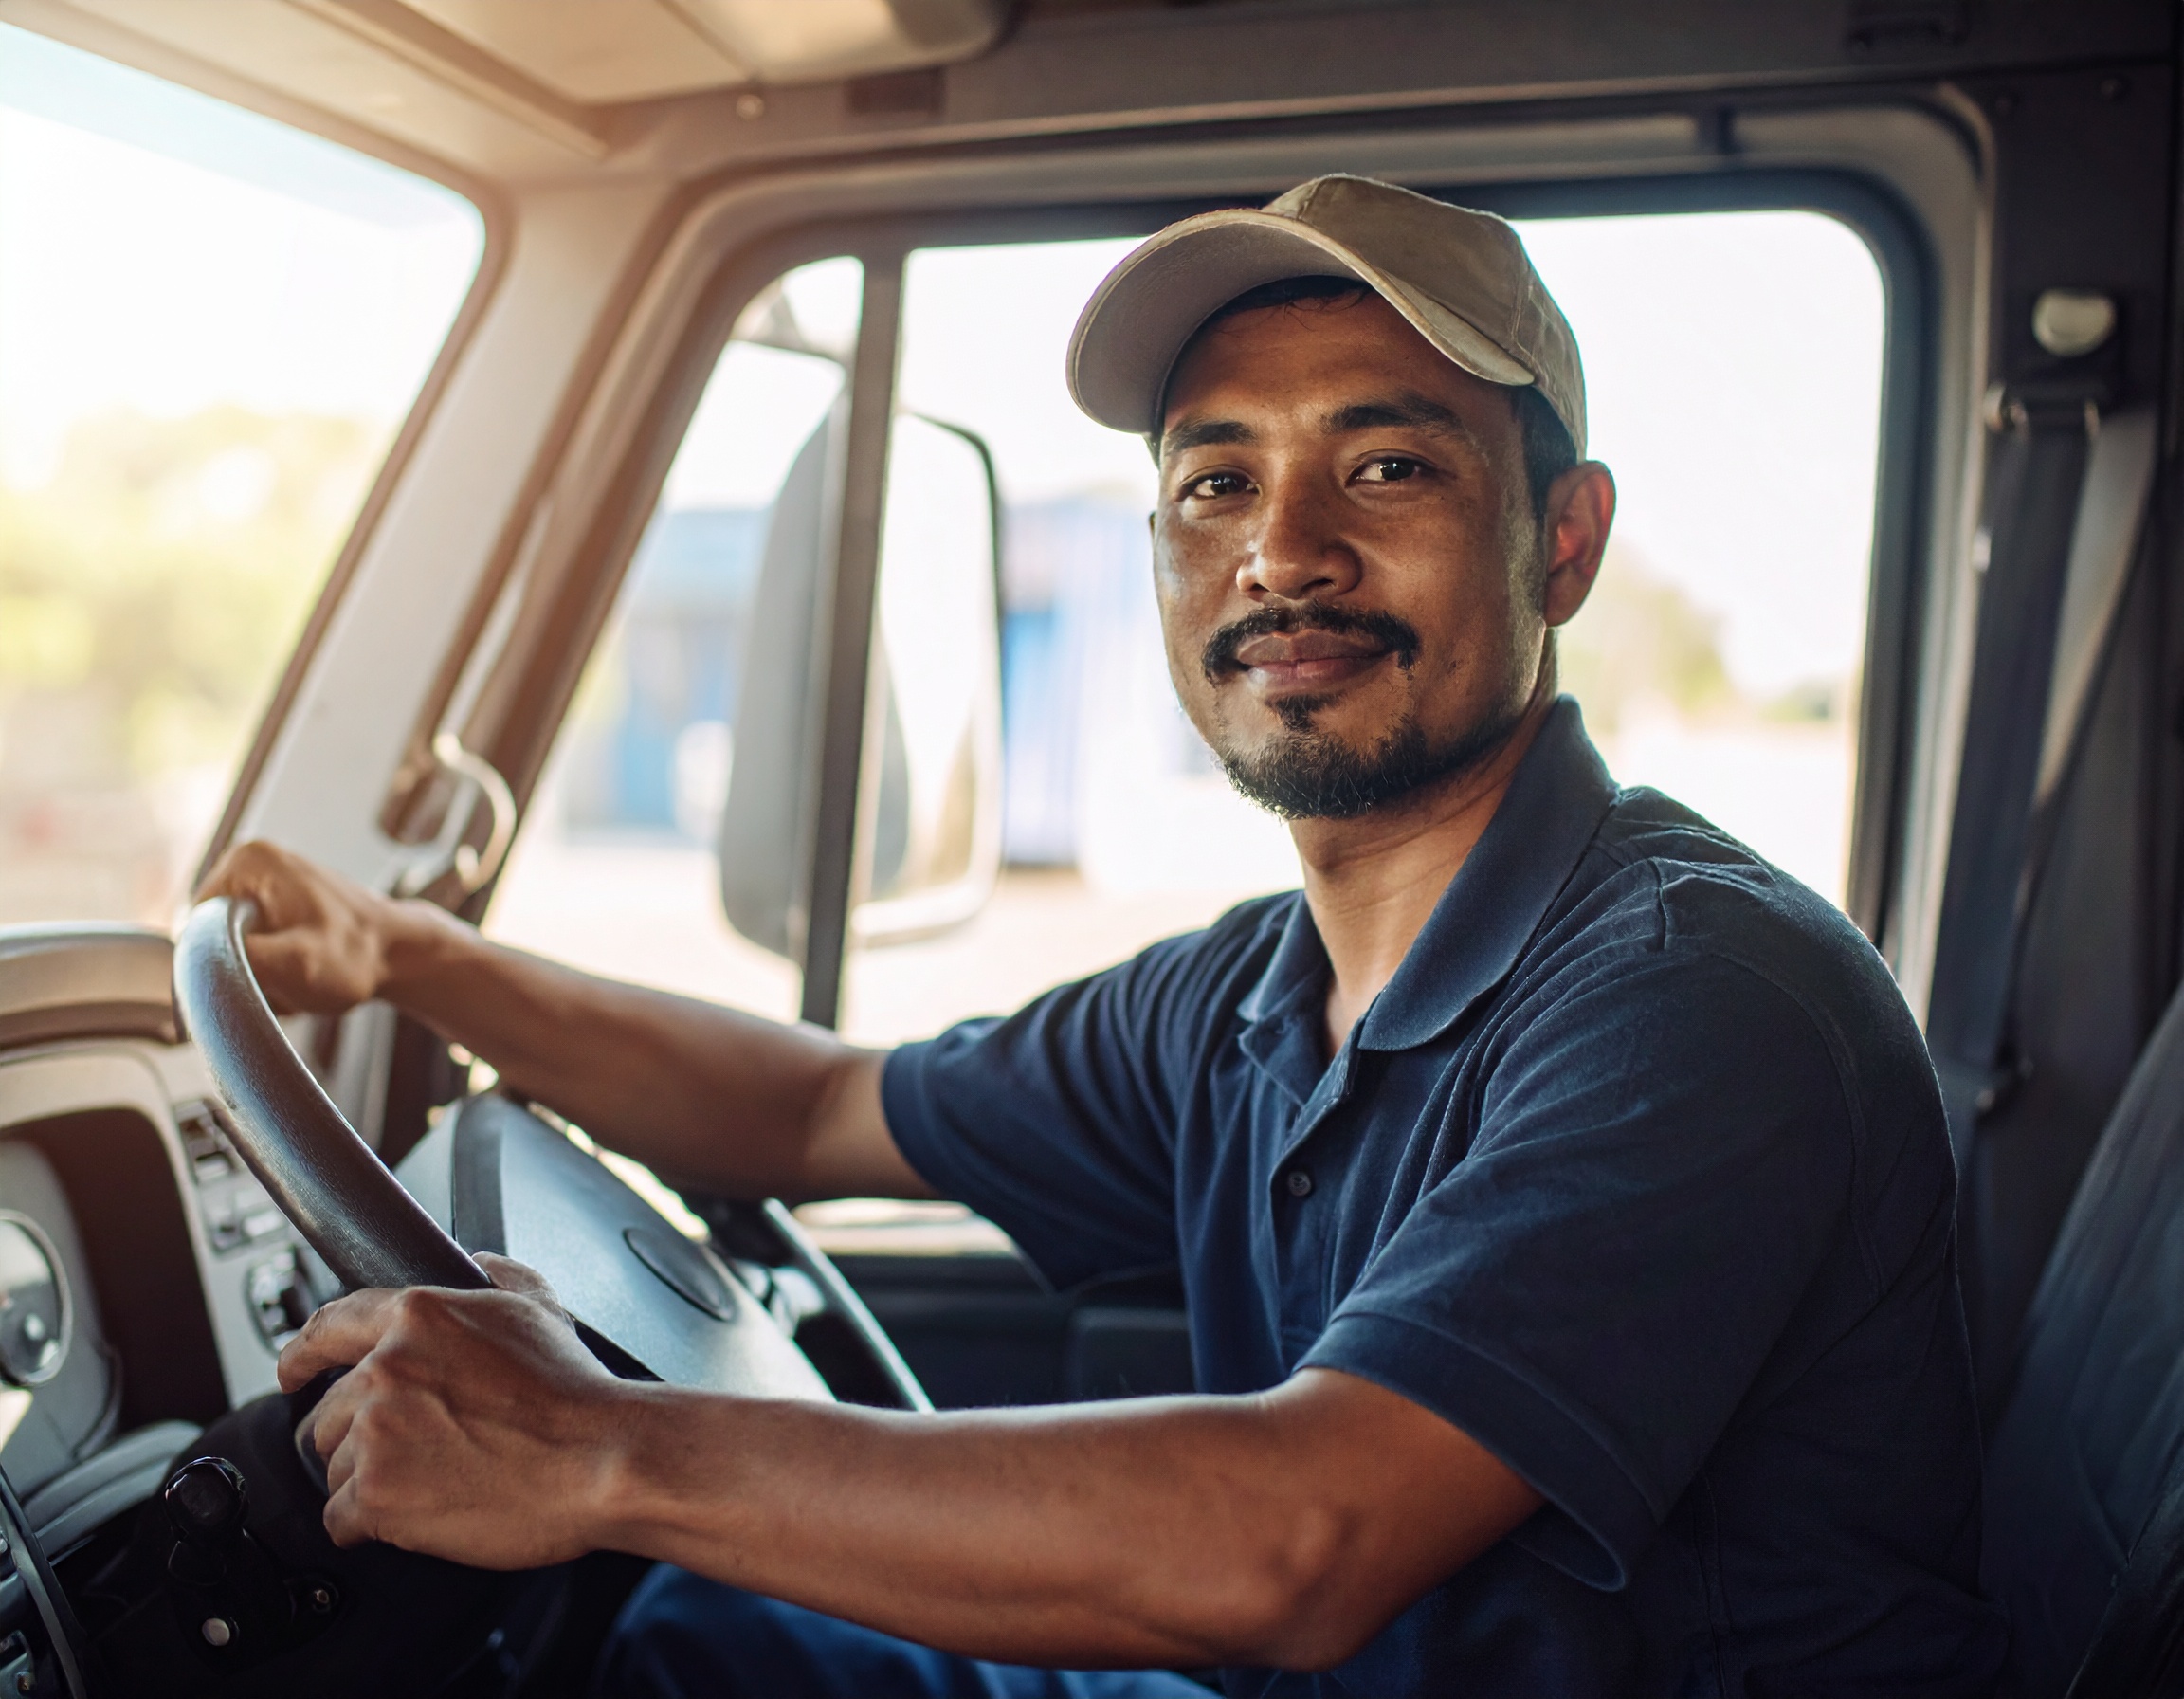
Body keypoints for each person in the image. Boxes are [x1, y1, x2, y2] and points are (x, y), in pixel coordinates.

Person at [204, 175, 2008, 1698]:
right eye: (1217, 484)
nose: (1281, 553)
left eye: (1385, 468)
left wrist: (596, 1444)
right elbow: (818, 1109)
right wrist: (406, 959)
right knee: (708, 1636)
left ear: (1566, 539)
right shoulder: (1250, 992)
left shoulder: (1696, 996)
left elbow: (1300, 1535)